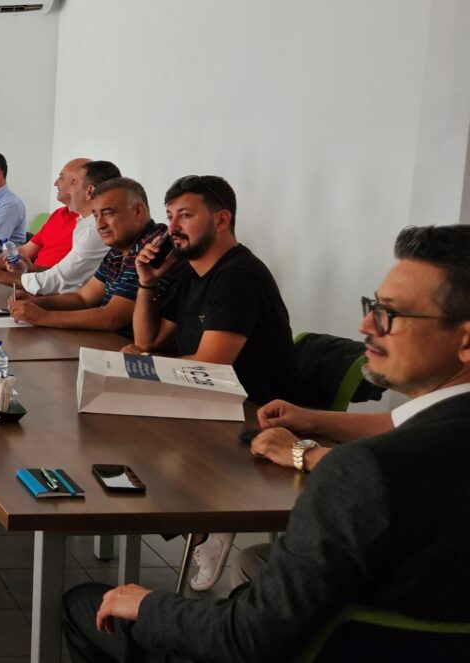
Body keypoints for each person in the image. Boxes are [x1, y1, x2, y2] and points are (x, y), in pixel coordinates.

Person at [64, 224, 470, 663]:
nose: (365, 325)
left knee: (85, 604)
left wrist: (148, 605)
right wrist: (313, 419)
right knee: (254, 564)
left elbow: (245, 637)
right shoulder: (433, 434)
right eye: (372, 306)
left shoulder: (362, 472)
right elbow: (407, 425)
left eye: (390, 313)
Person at [127, 174, 300, 591]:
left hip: (250, 412)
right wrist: (147, 281)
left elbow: (210, 366)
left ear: (222, 219)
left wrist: (141, 367)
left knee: (138, 436)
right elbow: (147, 339)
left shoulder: (238, 276)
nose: (172, 227)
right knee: (126, 432)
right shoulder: (194, 271)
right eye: (170, 216)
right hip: (212, 399)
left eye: (185, 216)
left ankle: (209, 519)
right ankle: (202, 521)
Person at [7, 177, 176, 334]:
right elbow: (83, 298)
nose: (100, 225)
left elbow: (113, 318)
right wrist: (35, 302)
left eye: (108, 213)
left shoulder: (152, 247)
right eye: (96, 216)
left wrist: (43, 317)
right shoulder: (118, 248)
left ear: (138, 211)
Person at [0, 159, 114, 295]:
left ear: (89, 191)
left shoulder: (95, 230)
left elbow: (59, 280)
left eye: (73, 182)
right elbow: (60, 275)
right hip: (42, 288)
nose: (66, 188)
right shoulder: (81, 222)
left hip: (49, 292)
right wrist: (29, 270)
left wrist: (0, 276)